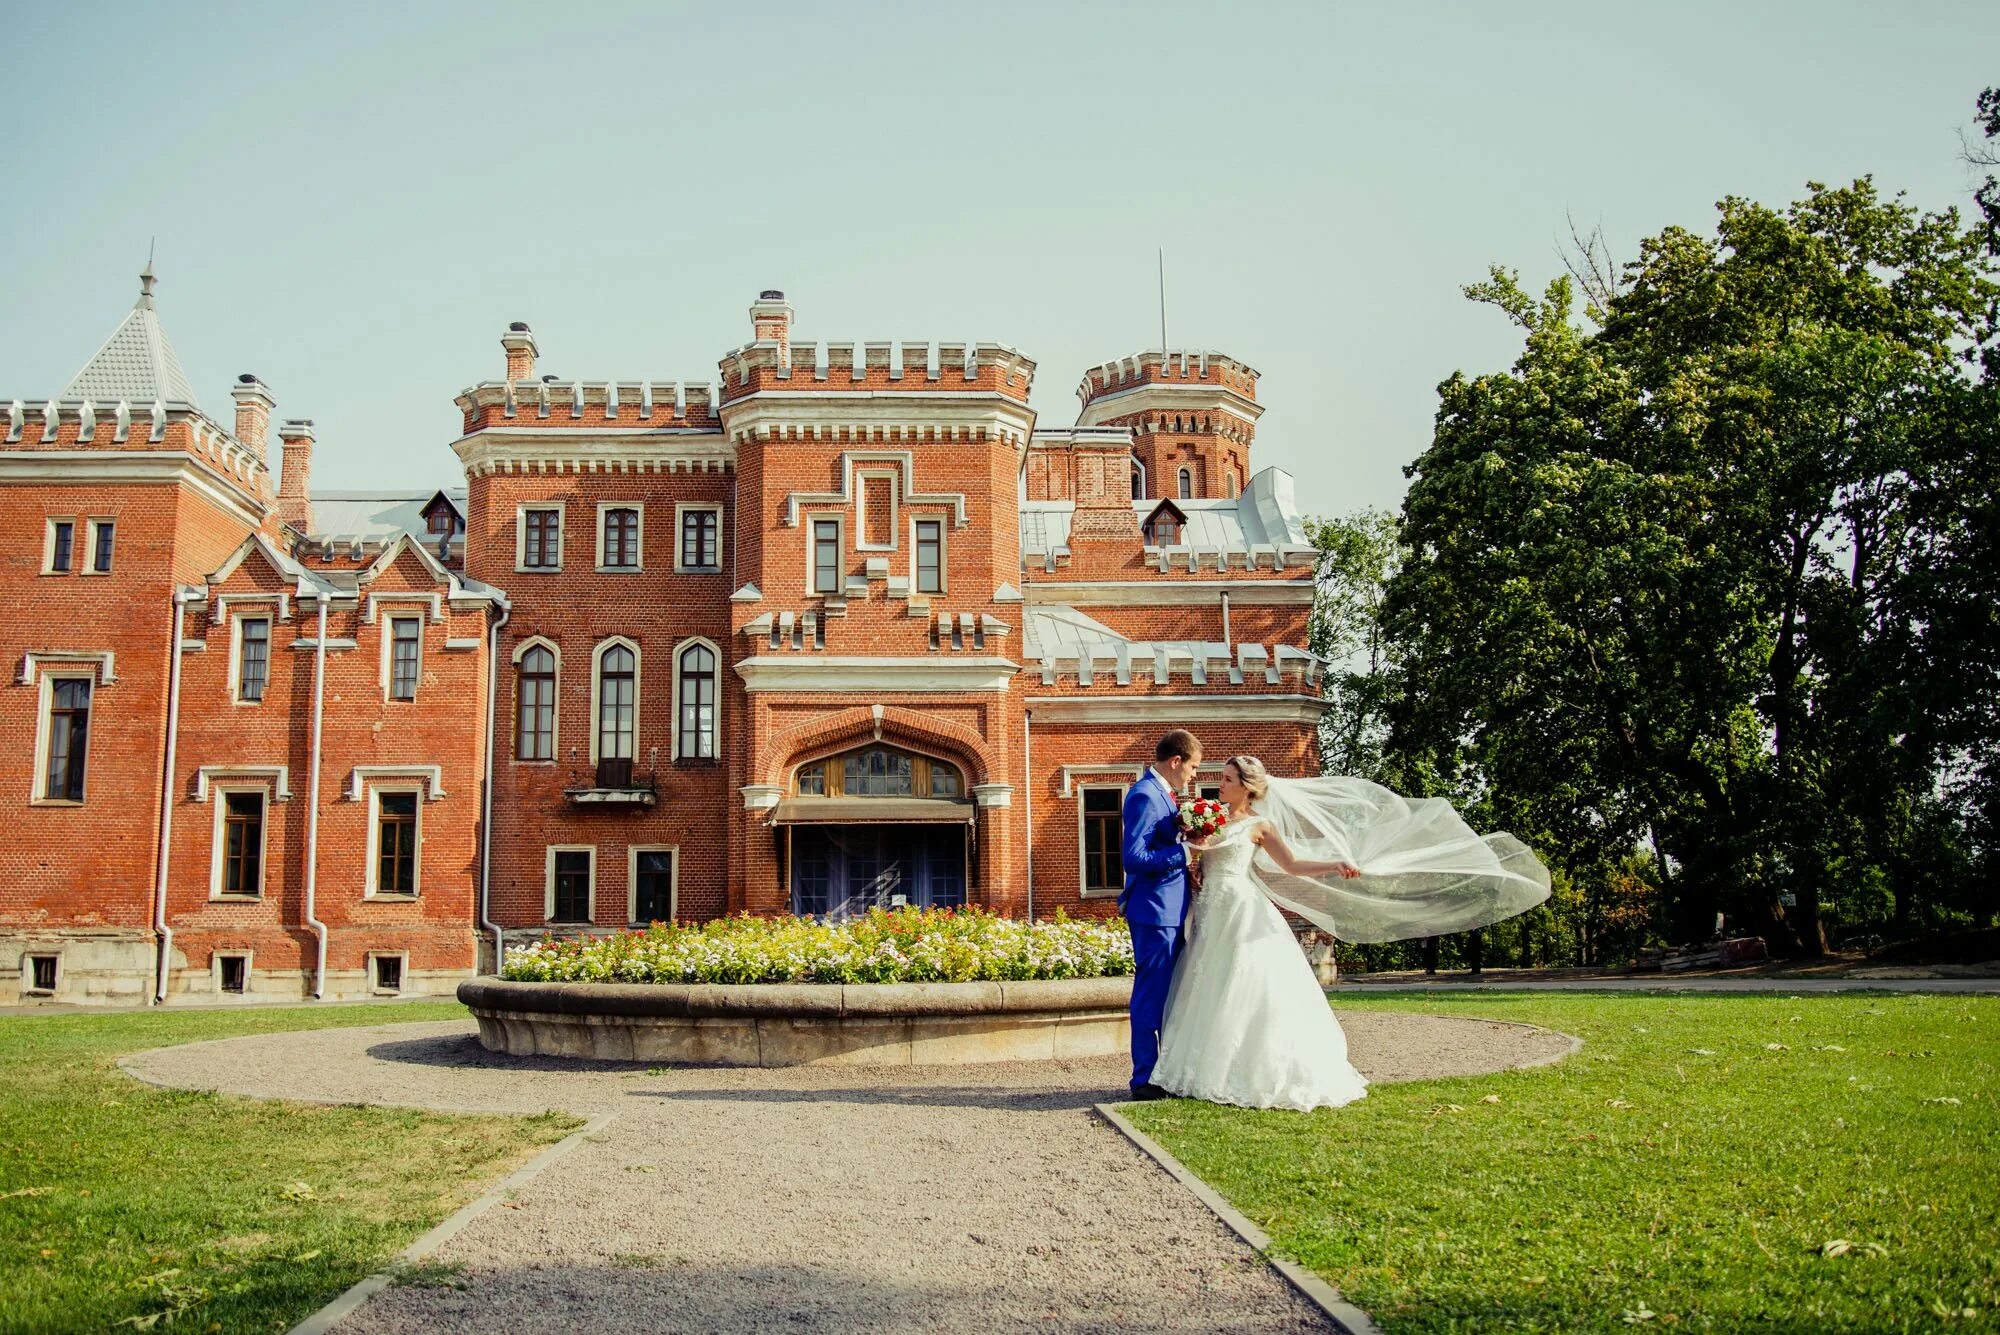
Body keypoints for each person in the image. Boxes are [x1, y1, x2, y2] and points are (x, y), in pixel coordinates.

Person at [1148, 755, 1551, 1112]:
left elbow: (1291, 865)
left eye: (1229, 779)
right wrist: (1193, 855)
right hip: (1208, 909)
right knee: (1206, 981)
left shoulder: (1260, 826)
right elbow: (1197, 856)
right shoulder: (1208, 814)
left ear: (1248, 788)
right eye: (1222, 777)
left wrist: (1334, 864)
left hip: (1239, 906)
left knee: (1241, 981)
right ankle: (1199, 1066)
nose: (1221, 783)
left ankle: (1244, 1070)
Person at [1118, 730, 1201, 1102]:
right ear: (1176, 762)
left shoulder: (1162, 795)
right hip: (1154, 912)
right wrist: (1182, 854)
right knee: (1150, 996)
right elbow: (1133, 858)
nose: (1194, 776)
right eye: (1194, 768)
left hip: (1167, 910)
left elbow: (1154, 838)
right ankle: (1144, 1079)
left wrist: (1177, 828)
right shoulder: (1144, 795)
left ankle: (1163, 1071)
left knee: (1166, 995)